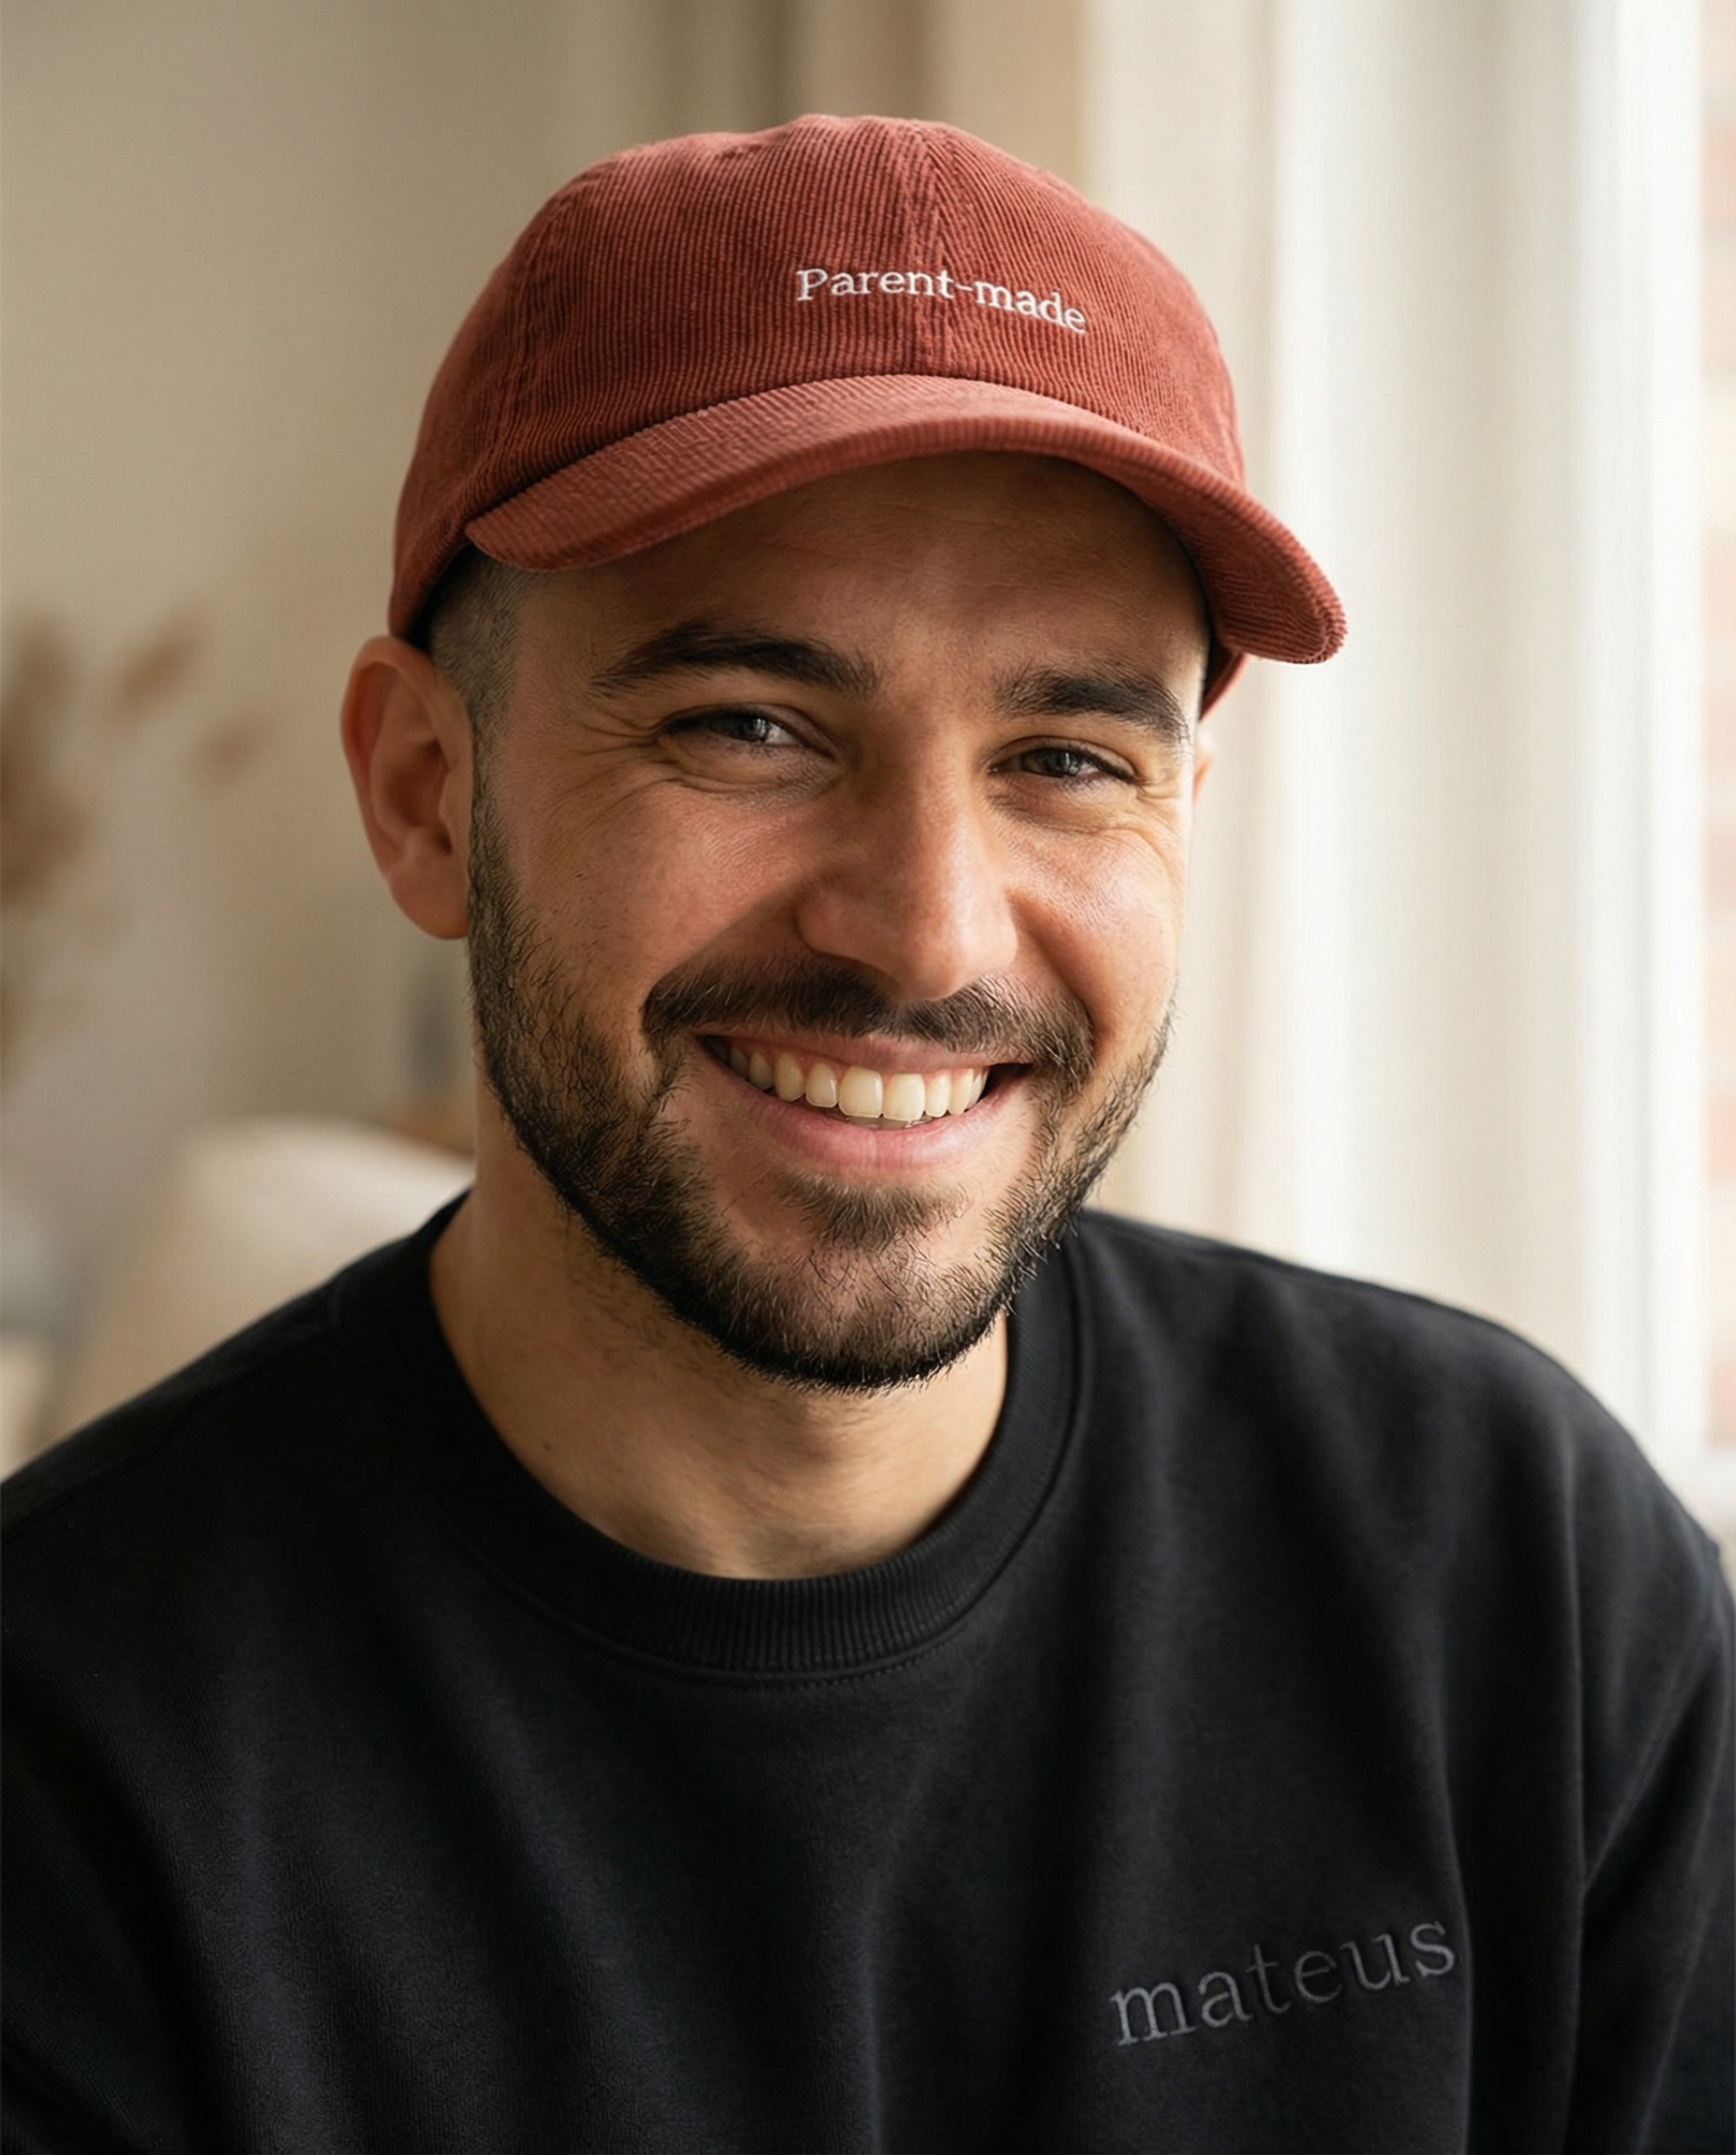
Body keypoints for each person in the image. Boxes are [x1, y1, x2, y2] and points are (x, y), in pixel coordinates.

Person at [4, 114, 1729, 2155]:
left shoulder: (1506, 1578)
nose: (924, 928)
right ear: (423, 794)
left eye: (1069, 758)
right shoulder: (69, 1759)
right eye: (751, 724)